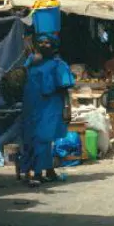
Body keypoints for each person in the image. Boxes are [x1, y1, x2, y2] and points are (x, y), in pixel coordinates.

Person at [21, 34, 75, 186]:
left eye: (47, 43)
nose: (44, 45)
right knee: (30, 137)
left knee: (43, 138)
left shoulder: (59, 64)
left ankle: (39, 173)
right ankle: (46, 171)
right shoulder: (31, 61)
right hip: (31, 105)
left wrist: (67, 107)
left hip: (49, 106)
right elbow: (20, 77)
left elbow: (65, 88)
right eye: (41, 42)